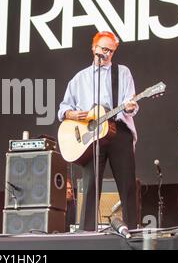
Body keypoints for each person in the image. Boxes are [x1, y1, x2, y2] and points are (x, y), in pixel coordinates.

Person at [58, 31, 138, 231]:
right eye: (103, 49)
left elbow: (132, 102)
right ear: (94, 48)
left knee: (127, 185)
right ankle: (86, 232)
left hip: (118, 129)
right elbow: (62, 109)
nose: (107, 53)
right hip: (91, 135)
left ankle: (132, 231)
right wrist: (72, 115)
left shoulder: (122, 72)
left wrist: (131, 107)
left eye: (110, 50)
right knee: (91, 184)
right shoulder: (79, 78)